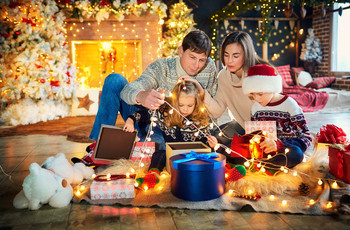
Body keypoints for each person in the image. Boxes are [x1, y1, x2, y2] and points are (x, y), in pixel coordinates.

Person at [73, 30, 218, 166]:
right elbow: (128, 89)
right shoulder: (162, 67)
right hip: (148, 120)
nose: (196, 65)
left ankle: (135, 147)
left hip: (174, 133)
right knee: (114, 80)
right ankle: (99, 146)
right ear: (181, 51)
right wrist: (141, 96)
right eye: (192, 57)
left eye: (201, 60)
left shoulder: (209, 68)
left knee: (158, 153)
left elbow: (211, 109)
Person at [123, 81, 221, 189]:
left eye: (190, 105)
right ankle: (153, 175)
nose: (185, 109)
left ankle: (226, 172)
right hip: (170, 156)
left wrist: (211, 143)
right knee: (159, 154)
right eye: (181, 105)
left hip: (191, 157)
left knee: (212, 155)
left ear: (196, 103)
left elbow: (204, 141)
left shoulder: (199, 120)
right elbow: (144, 114)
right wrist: (130, 120)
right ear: (175, 102)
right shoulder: (166, 113)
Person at [184, 31, 269, 147]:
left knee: (240, 152)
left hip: (267, 131)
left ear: (246, 54)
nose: (229, 61)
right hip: (242, 126)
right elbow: (217, 110)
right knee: (209, 139)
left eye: (235, 56)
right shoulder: (223, 76)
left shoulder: (263, 73)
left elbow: (275, 110)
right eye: (226, 55)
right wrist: (200, 90)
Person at [241, 64, 312, 172]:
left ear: (272, 88)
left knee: (297, 154)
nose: (256, 98)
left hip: (285, 150)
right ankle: (264, 165)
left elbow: (306, 137)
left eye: (260, 94)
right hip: (263, 153)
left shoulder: (290, 104)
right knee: (234, 149)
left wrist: (280, 145)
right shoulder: (255, 107)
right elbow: (255, 134)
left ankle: (262, 166)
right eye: (253, 95)